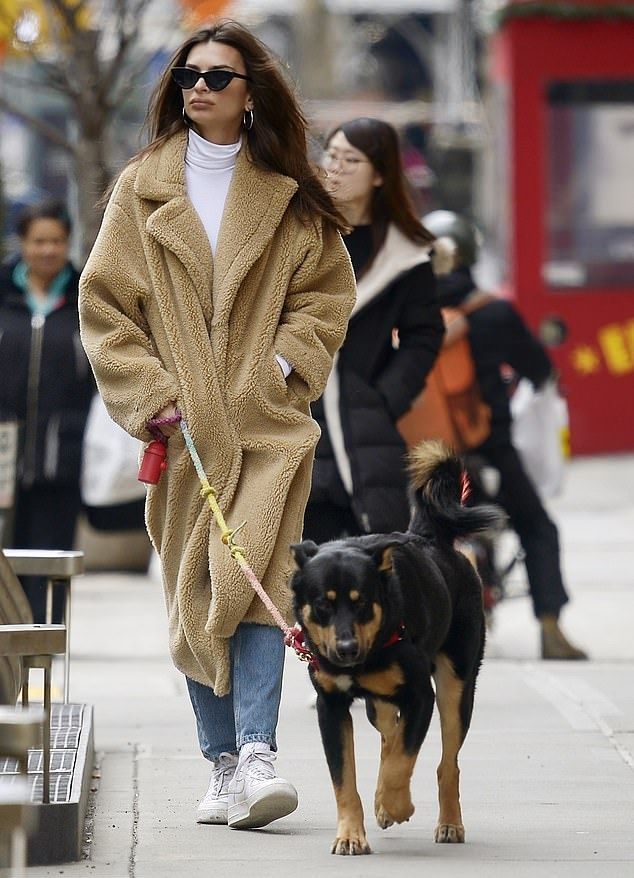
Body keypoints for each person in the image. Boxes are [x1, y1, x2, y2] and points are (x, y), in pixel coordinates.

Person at [78, 20, 356, 830]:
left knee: (258, 581)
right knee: (198, 591)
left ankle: (261, 749)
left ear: (251, 92)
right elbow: (105, 307)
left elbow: (326, 298)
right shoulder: (142, 189)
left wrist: (277, 367)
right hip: (183, 432)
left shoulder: (289, 192)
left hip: (267, 426)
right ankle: (223, 765)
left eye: (219, 76)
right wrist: (151, 394)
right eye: (188, 75)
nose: (199, 86)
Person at [422, 209, 587, 660]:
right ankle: (551, 628)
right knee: (537, 526)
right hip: (489, 449)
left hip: (427, 455)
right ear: (471, 255)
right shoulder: (493, 312)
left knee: (417, 537)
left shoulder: (411, 315)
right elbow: (539, 369)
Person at [303, 117, 445, 542]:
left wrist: (386, 396)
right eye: (331, 156)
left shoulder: (404, 255)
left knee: (379, 557)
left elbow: (425, 334)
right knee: (301, 566)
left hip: (367, 423)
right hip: (297, 412)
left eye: (351, 159)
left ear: (380, 174)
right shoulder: (300, 234)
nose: (336, 168)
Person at [0, 199, 94, 622]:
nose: (47, 251)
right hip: (4, 451)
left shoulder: (86, 298)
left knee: (49, 552)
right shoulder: (4, 295)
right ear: (22, 243)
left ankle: (44, 638)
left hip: (63, 451)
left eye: (56, 241)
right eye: (38, 241)